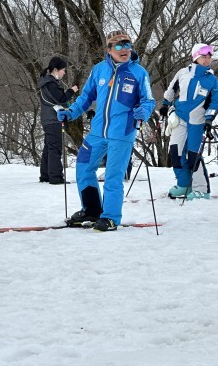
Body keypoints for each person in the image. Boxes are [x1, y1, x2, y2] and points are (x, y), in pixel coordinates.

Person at [56, 29, 155, 231]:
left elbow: (148, 100)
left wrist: (143, 112)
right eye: (119, 45)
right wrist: (70, 112)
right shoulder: (99, 70)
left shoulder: (138, 73)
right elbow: (86, 97)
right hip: (97, 132)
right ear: (109, 49)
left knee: (113, 176)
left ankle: (110, 217)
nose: (124, 49)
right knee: (83, 167)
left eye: (127, 44)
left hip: (122, 133)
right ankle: (92, 211)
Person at [160, 43, 218, 200]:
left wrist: (209, 119)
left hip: (197, 120)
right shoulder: (183, 73)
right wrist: (165, 105)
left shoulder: (211, 79)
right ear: (195, 57)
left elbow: (215, 102)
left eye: (209, 57)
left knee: (193, 155)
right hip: (180, 117)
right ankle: (184, 184)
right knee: (176, 152)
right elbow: (171, 89)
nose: (207, 60)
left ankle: (202, 189)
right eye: (203, 57)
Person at [37, 57, 78, 184]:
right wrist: (71, 91)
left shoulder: (47, 82)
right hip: (53, 119)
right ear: (55, 70)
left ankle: (45, 176)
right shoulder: (50, 83)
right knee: (55, 148)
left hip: (48, 119)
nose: (64, 73)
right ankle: (55, 177)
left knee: (49, 147)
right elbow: (60, 98)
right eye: (63, 70)